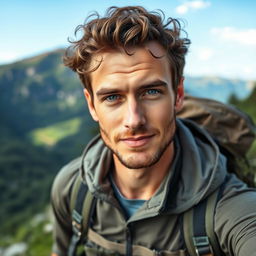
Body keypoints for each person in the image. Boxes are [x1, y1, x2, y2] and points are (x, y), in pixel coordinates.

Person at [51, 6, 256, 256]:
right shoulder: (71, 188)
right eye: (113, 97)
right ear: (92, 105)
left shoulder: (232, 208)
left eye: (151, 92)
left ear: (178, 95)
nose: (134, 120)